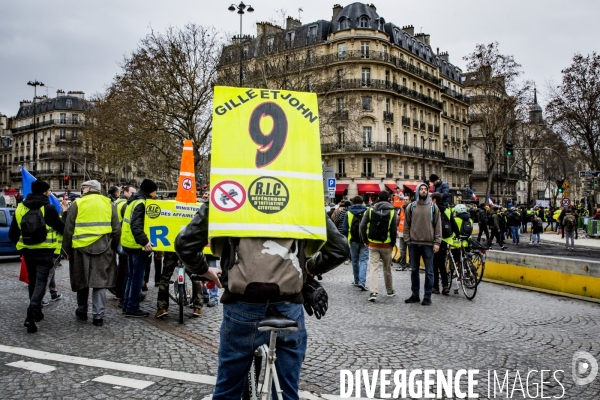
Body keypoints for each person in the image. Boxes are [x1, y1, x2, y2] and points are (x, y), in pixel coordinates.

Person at [174, 203, 349, 398]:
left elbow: (184, 244)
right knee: (287, 391)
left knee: (228, 390)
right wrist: (308, 269)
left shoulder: (229, 191)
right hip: (287, 303)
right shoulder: (302, 194)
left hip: (241, 302)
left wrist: (203, 271)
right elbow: (340, 249)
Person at [9, 180, 68, 333]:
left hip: (27, 251)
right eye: (48, 191)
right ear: (44, 192)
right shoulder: (48, 208)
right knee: (41, 282)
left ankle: (37, 312)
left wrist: (22, 245)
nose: (50, 193)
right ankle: (31, 312)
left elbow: (13, 233)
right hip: (46, 251)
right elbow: (62, 228)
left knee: (33, 282)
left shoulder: (20, 208)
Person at [62, 180, 121, 327]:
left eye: (83, 188)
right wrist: (113, 247)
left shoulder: (78, 204)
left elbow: (68, 229)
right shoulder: (109, 204)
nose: (82, 190)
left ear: (89, 189)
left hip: (80, 248)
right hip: (103, 248)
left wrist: (66, 250)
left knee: (81, 280)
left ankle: (82, 310)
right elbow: (116, 230)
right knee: (99, 282)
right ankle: (98, 316)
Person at [121, 179, 158, 318]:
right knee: (137, 277)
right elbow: (136, 226)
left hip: (128, 243)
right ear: (150, 191)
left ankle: (126, 304)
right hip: (137, 245)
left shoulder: (133, 200)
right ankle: (132, 307)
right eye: (155, 191)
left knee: (131, 276)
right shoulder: (142, 203)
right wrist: (144, 242)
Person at [404, 183, 441, 306]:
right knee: (414, 270)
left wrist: (437, 242)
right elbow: (407, 224)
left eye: (425, 189)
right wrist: (407, 240)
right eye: (421, 189)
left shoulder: (433, 207)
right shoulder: (411, 206)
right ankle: (415, 295)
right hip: (414, 243)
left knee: (429, 272)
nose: (424, 191)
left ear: (428, 192)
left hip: (429, 244)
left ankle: (427, 296)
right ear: (417, 191)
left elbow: (437, 226)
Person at [359, 191, 397, 302]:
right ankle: (389, 290)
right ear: (389, 199)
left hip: (372, 243)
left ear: (378, 198)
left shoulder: (370, 210)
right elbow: (394, 230)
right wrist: (393, 243)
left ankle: (373, 292)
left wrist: (365, 240)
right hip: (386, 244)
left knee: (373, 268)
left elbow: (362, 226)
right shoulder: (392, 211)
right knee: (387, 268)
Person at [114, 185, 136, 305]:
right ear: (125, 192)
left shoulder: (116, 203)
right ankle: (123, 294)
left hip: (117, 237)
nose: (134, 195)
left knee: (121, 266)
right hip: (125, 238)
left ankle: (118, 291)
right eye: (132, 192)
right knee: (126, 269)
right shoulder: (126, 205)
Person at [342, 195, 369, 291]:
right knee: (364, 260)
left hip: (352, 239)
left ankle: (356, 280)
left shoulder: (348, 212)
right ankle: (362, 282)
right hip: (365, 239)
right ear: (362, 202)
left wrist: (345, 240)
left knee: (354, 260)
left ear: (352, 202)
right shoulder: (367, 211)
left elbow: (344, 228)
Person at [431, 193, 452, 295]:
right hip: (445, 241)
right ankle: (445, 285)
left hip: (434, 240)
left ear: (434, 200)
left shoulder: (432, 209)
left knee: (434, 264)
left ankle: (435, 287)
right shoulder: (448, 210)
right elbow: (454, 225)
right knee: (442, 264)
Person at [394, 195, 411, 271]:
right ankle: (403, 264)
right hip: (401, 232)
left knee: (411, 250)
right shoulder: (401, 209)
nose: (405, 201)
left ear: (409, 200)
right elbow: (398, 220)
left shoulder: (412, 209)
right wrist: (397, 230)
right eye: (404, 199)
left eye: (407, 199)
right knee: (402, 250)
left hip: (410, 233)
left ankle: (411, 265)